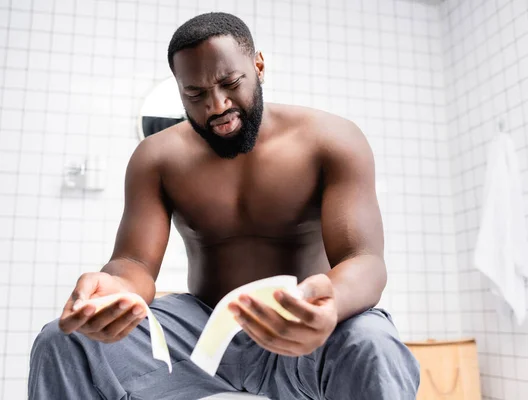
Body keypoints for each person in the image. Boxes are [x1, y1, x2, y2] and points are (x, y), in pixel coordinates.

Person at [28, 12, 420, 400]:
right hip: (201, 333)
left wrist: (330, 305)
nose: (216, 106)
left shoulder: (331, 139)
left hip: (300, 326)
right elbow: (134, 262)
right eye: (194, 94)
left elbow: (364, 258)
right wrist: (114, 290)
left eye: (230, 83)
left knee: (373, 343)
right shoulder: (157, 158)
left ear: (259, 66)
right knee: (63, 341)